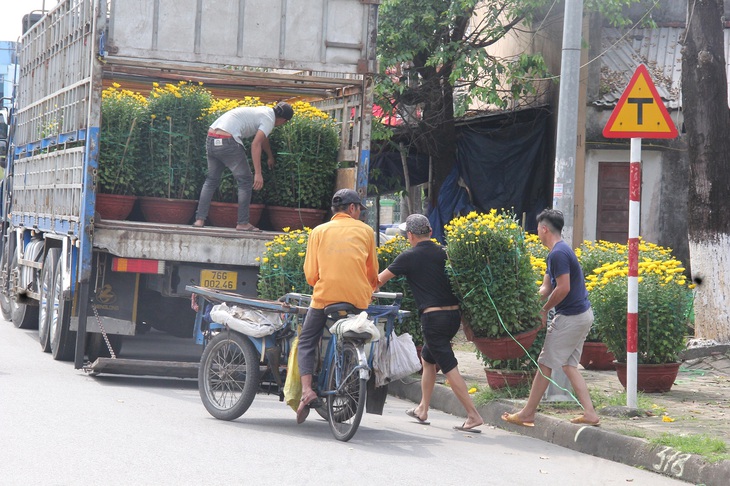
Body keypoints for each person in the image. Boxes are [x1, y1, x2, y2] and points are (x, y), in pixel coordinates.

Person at [378, 214, 484, 432]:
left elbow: (379, 280)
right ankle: (423, 409)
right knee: (428, 358)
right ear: (430, 233)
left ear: (409, 235)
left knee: (448, 365)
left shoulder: (408, 256)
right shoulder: (444, 253)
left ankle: (473, 415)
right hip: (453, 317)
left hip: (433, 318)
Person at [502, 208, 600, 427]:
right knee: (568, 365)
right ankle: (590, 414)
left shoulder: (558, 254)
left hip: (571, 317)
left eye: (538, 228)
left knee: (545, 363)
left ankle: (528, 413)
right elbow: (546, 288)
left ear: (544, 229)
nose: (537, 232)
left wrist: (545, 310)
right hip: (581, 315)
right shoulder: (556, 252)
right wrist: (528, 305)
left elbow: (563, 289)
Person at [296, 188, 379, 424]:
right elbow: (372, 272)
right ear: (352, 209)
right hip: (357, 299)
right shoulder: (366, 231)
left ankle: (307, 390)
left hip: (325, 298)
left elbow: (311, 274)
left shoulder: (319, 231)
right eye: (359, 210)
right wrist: (370, 288)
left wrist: (320, 283)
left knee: (307, 341)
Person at [193, 102, 293, 231]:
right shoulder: (269, 119)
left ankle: (199, 220)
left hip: (212, 137)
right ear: (284, 120)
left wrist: (269, 155)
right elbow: (255, 144)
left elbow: (263, 138)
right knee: (245, 181)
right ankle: (242, 223)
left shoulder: (264, 111)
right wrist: (258, 173)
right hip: (228, 141)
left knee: (211, 180)